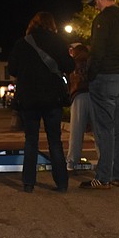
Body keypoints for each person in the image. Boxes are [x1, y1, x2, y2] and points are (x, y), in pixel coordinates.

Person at [7, 11, 74, 192]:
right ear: (52, 25)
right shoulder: (58, 41)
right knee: (55, 141)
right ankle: (61, 182)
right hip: (53, 98)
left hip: (29, 99)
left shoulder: (22, 43)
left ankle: (29, 182)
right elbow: (69, 66)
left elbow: (12, 69)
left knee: (31, 140)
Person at [80, 0, 119, 189]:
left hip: (105, 77)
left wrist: (90, 74)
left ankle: (103, 177)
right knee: (118, 130)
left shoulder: (102, 20)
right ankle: (118, 175)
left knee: (104, 129)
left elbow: (97, 51)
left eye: (95, 2)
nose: (95, 7)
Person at [66, 42, 94, 171]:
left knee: (76, 131)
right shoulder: (91, 60)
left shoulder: (72, 63)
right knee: (99, 132)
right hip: (94, 95)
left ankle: (72, 161)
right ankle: (104, 162)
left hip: (78, 95)